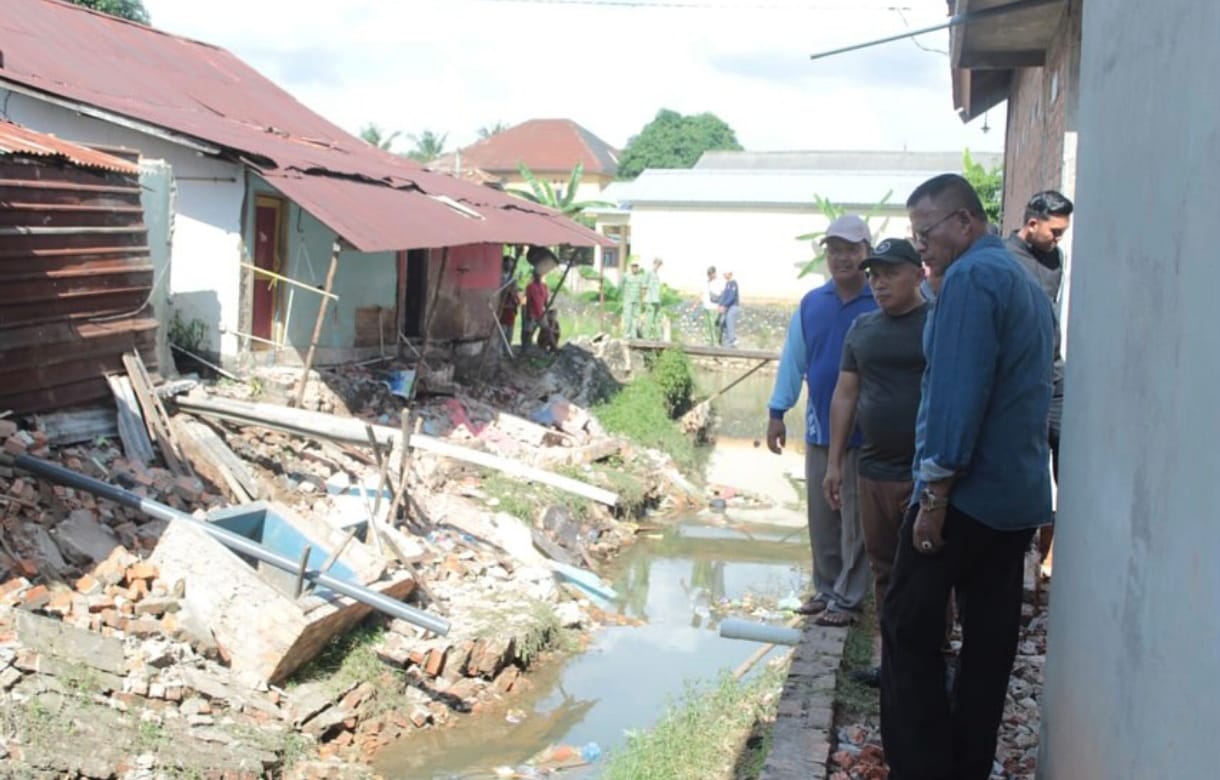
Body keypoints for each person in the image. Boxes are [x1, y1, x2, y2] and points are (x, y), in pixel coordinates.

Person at [881, 174, 1054, 780]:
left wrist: (935, 496)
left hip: (966, 500)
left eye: (925, 232)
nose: (920, 245)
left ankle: (922, 767)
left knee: (907, 628)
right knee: (987, 645)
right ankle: (965, 765)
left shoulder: (972, 281)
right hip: (1016, 500)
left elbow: (958, 398)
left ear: (963, 222)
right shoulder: (1024, 282)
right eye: (914, 234)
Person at [822, 238, 929, 685]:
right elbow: (845, 395)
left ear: (919, 273)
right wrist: (833, 463)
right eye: (875, 276)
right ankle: (891, 663)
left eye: (890, 273)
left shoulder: (937, 324)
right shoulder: (863, 329)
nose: (879, 283)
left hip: (925, 475)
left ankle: (929, 660)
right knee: (884, 570)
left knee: (924, 573)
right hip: (873, 470)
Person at [766, 214, 876, 627]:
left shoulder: (879, 300)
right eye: (834, 250)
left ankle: (849, 599)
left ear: (867, 252)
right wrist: (778, 410)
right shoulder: (813, 303)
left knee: (856, 517)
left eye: (851, 249)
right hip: (819, 429)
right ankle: (827, 588)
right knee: (822, 515)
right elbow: (794, 359)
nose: (842, 258)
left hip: (866, 433)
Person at [1006, 189, 1074, 570]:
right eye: (1055, 231)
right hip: (1021, 381)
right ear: (1032, 224)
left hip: (1055, 376)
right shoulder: (1004, 260)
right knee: (1026, 466)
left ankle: (1054, 553)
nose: (1059, 238)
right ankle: (1022, 550)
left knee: (1068, 461)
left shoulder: (1056, 258)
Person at [498, 255, 521, 353]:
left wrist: (514, 293)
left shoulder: (513, 277)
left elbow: (515, 290)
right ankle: (500, 351)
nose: (510, 266)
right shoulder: (500, 276)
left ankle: (507, 349)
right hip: (503, 305)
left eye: (512, 264)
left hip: (511, 306)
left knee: (510, 331)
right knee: (502, 329)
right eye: (509, 263)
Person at [522, 270, 547, 348]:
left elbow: (545, 300)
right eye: (537, 275)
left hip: (541, 312)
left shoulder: (544, 286)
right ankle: (525, 348)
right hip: (532, 312)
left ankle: (549, 347)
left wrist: (547, 308)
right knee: (528, 332)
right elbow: (528, 301)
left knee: (547, 329)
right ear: (534, 276)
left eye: (539, 275)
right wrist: (528, 313)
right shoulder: (530, 286)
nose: (538, 277)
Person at [620, 260, 644, 339]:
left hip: (637, 300)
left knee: (635, 318)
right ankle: (626, 334)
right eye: (633, 266)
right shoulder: (626, 276)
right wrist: (624, 297)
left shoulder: (640, 277)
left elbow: (642, 288)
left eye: (636, 266)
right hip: (628, 300)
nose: (635, 268)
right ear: (631, 267)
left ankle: (633, 335)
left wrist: (641, 299)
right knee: (628, 317)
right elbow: (621, 286)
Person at [718, 269, 741, 348]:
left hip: (733, 306)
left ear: (730, 274)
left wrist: (724, 305)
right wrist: (720, 305)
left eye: (725, 273)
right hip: (727, 307)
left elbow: (731, 297)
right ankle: (727, 341)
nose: (724, 275)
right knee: (722, 322)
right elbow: (724, 296)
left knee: (729, 321)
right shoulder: (727, 284)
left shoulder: (733, 283)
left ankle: (732, 340)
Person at [643, 257, 664, 339]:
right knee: (649, 319)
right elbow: (644, 285)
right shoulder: (648, 273)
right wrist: (644, 299)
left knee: (657, 318)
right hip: (650, 299)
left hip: (656, 300)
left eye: (659, 264)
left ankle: (658, 336)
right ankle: (646, 336)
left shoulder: (656, 275)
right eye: (657, 264)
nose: (658, 266)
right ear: (654, 263)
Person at [702, 266, 724, 345]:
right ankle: (708, 343)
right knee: (707, 326)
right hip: (706, 307)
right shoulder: (707, 282)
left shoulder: (719, 282)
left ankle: (716, 343)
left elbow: (722, 295)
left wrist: (721, 306)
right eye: (708, 274)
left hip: (714, 307)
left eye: (711, 273)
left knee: (714, 326)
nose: (709, 275)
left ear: (714, 273)